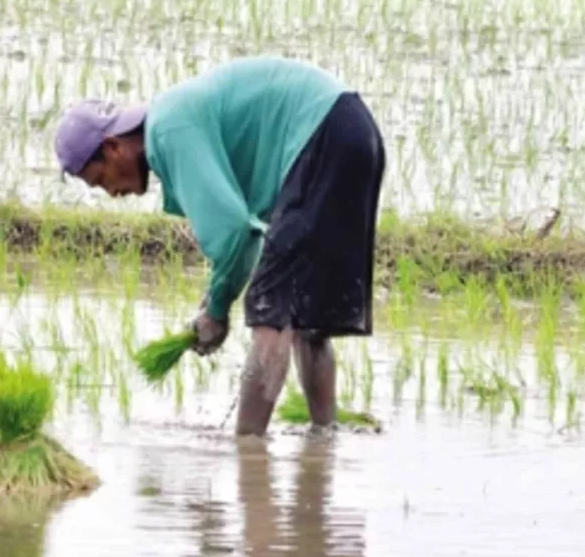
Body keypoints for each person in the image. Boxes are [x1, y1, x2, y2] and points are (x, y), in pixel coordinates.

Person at [53, 56, 385, 436]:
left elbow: (234, 234)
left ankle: (248, 449)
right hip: (352, 130)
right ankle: (324, 438)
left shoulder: (169, 127)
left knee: (268, 308)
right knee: (307, 318)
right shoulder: (174, 118)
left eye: (100, 180)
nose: (111, 193)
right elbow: (244, 232)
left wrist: (215, 310)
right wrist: (217, 300)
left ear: (112, 148)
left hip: (322, 134)